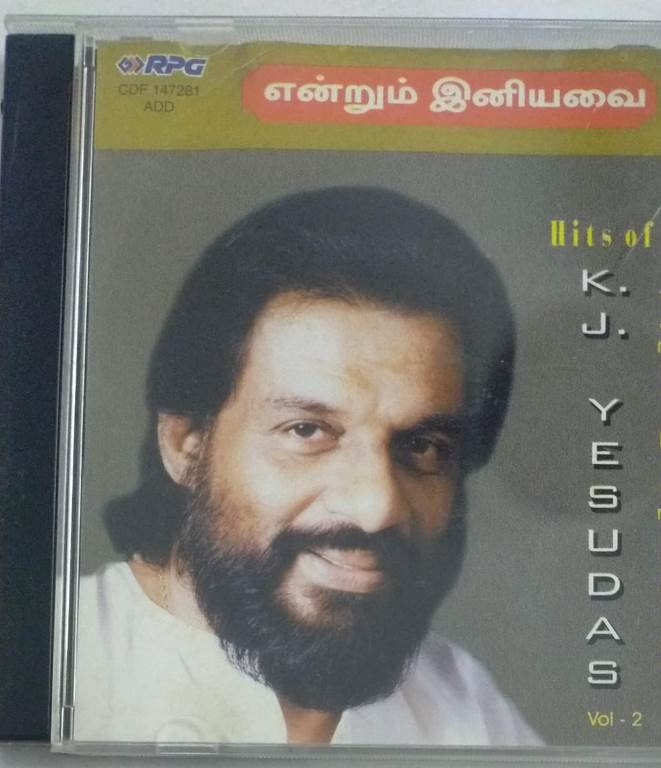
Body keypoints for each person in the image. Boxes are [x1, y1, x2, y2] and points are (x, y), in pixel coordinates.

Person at [74, 187, 540, 747]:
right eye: (307, 431)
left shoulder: (465, 710)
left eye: (422, 446)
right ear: (185, 444)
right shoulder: (60, 659)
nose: (375, 507)